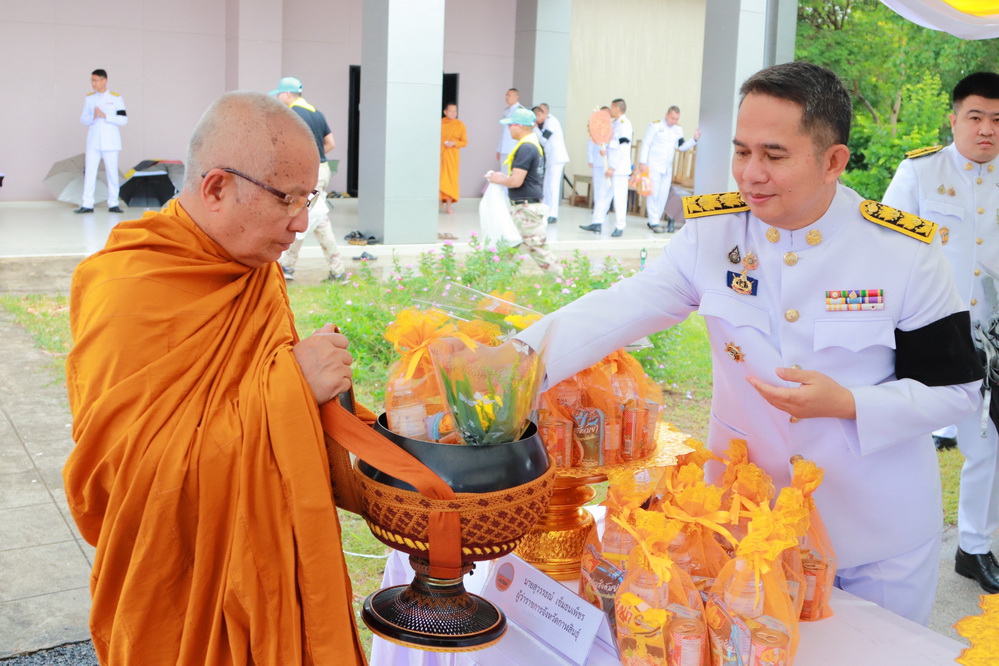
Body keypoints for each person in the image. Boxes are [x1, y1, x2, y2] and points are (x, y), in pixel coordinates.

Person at [513, 61, 983, 624]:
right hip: (746, 522)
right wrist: (514, 361)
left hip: (873, 534)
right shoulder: (713, 233)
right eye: (741, 151)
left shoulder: (902, 252)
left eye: (774, 155)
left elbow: (957, 392)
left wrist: (849, 403)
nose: (750, 173)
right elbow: (626, 305)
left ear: (833, 161)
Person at [64, 91, 366, 664]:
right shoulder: (127, 290)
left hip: (270, 560)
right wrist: (292, 388)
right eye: (288, 199)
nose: (302, 223)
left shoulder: (253, 270)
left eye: (311, 198)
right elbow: (127, 488)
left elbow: (250, 398)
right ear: (217, 187)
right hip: (179, 590)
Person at [882, 71, 999, 595]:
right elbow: (886, 247)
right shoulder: (921, 172)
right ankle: (892, 540)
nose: (987, 130)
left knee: (988, 443)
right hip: (929, 332)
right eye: (975, 117)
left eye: (998, 120)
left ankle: (974, 547)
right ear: (953, 119)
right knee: (903, 441)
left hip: (991, 337)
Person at [271, 76, 346, 283]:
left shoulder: (291, 115)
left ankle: (286, 266)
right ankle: (337, 270)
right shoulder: (317, 113)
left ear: (286, 94)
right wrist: (315, 156)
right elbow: (329, 143)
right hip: (321, 170)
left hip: (305, 175)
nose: (278, 99)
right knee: (318, 217)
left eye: (279, 95)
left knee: (297, 215)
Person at [487, 107, 561, 274]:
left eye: (510, 125)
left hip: (526, 210)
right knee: (507, 247)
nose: (508, 129)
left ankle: (565, 285)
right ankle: (492, 280)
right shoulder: (532, 144)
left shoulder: (526, 148)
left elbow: (516, 181)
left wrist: (498, 178)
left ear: (519, 126)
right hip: (524, 206)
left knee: (540, 252)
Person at [640, 105, 700, 233]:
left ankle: (655, 219)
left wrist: (694, 139)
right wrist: (642, 162)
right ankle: (653, 221)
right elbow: (646, 144)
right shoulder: (655, 126)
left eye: (676, 119)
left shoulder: (678, 130)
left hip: (667, 168)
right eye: (672, 118)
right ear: (666, 114)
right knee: (653, 193)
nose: (674, 121)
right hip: (654, 165)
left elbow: (681, 146)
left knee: (663, 194)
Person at [580, 98, 632, 237]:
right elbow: (612, 144)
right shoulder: (614, 124)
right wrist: (606, 152)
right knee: (604, 195)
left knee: (620, 198)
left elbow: (623, 148)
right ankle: (597, 222)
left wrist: (613, 167)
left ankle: (620, 226)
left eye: (612, 107)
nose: (610, 110)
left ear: (616, 108)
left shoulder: (624, 124)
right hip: (610, 166)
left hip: (619, 169)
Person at [77, 69, 127, 214]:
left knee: (112, 173)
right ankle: (87, 204)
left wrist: (105, 116)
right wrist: (93, 116)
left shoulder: (116, 98)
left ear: (104, 80)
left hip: (111, 142)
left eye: (96, 80)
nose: (94, 83)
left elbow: (123, 119)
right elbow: (83, 119)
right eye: (92, 80)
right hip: (93, 142)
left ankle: (113, 203)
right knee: (90, 172)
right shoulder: (89, 98)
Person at [533, 103, 570, 224]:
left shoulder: (551, 122)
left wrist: (535, 128)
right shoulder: (547, 122)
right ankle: (546, 211)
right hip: (551, 159)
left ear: (541, 113)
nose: (536, 121)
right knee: (548, 185)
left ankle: (553, 214)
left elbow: (543, 139)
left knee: (553, 186)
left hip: (557, 158)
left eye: (536, 117)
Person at [439, 102, 467, 214]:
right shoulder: (440, 123)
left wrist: (454, 143)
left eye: (455, 111)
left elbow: (464, 142)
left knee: (451, 180)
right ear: (445, 112)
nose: (453, 113)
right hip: (440, 154)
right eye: (450, 110)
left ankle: (449, 207)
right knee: (439, 179)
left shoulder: (460, 125)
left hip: (452, 156)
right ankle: (439, 202)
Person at [496, 88, 526, 167]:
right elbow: (503, 131)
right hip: (504, 148)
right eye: (506, 95)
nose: (506, 97)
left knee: (512, 173)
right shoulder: (506, 111)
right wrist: (499, 149)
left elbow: (522, 131)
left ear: (516, 96)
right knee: (504, 173)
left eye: (509, 95)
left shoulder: (521, 110)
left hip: (513, 147)